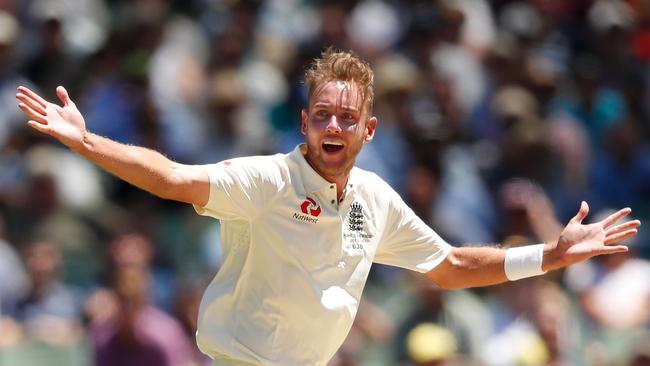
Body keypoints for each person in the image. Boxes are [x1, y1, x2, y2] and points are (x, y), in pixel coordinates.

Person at [16, 48, 640, 366]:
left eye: (347, 117)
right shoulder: (266, 180)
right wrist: (88, 140)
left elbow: (447, 265)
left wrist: (549, 257)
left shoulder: (376, 199)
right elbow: (174, 178)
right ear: (305, 122)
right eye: (323, 115)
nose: (333, 127)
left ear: (369, 130)